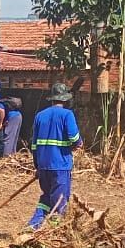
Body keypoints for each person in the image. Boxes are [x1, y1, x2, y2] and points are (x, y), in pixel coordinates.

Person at [27, 82, 82, 228]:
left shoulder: (40, 116)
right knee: (60, 200)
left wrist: (37, 166)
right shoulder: (67, 115)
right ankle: (55, 230)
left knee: (46, 197)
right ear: (65, 99)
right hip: (60, 165)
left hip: (43, 165)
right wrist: (78, 144)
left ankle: (33, 225)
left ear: (52, 99)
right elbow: (74, 138)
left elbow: (34, 145)